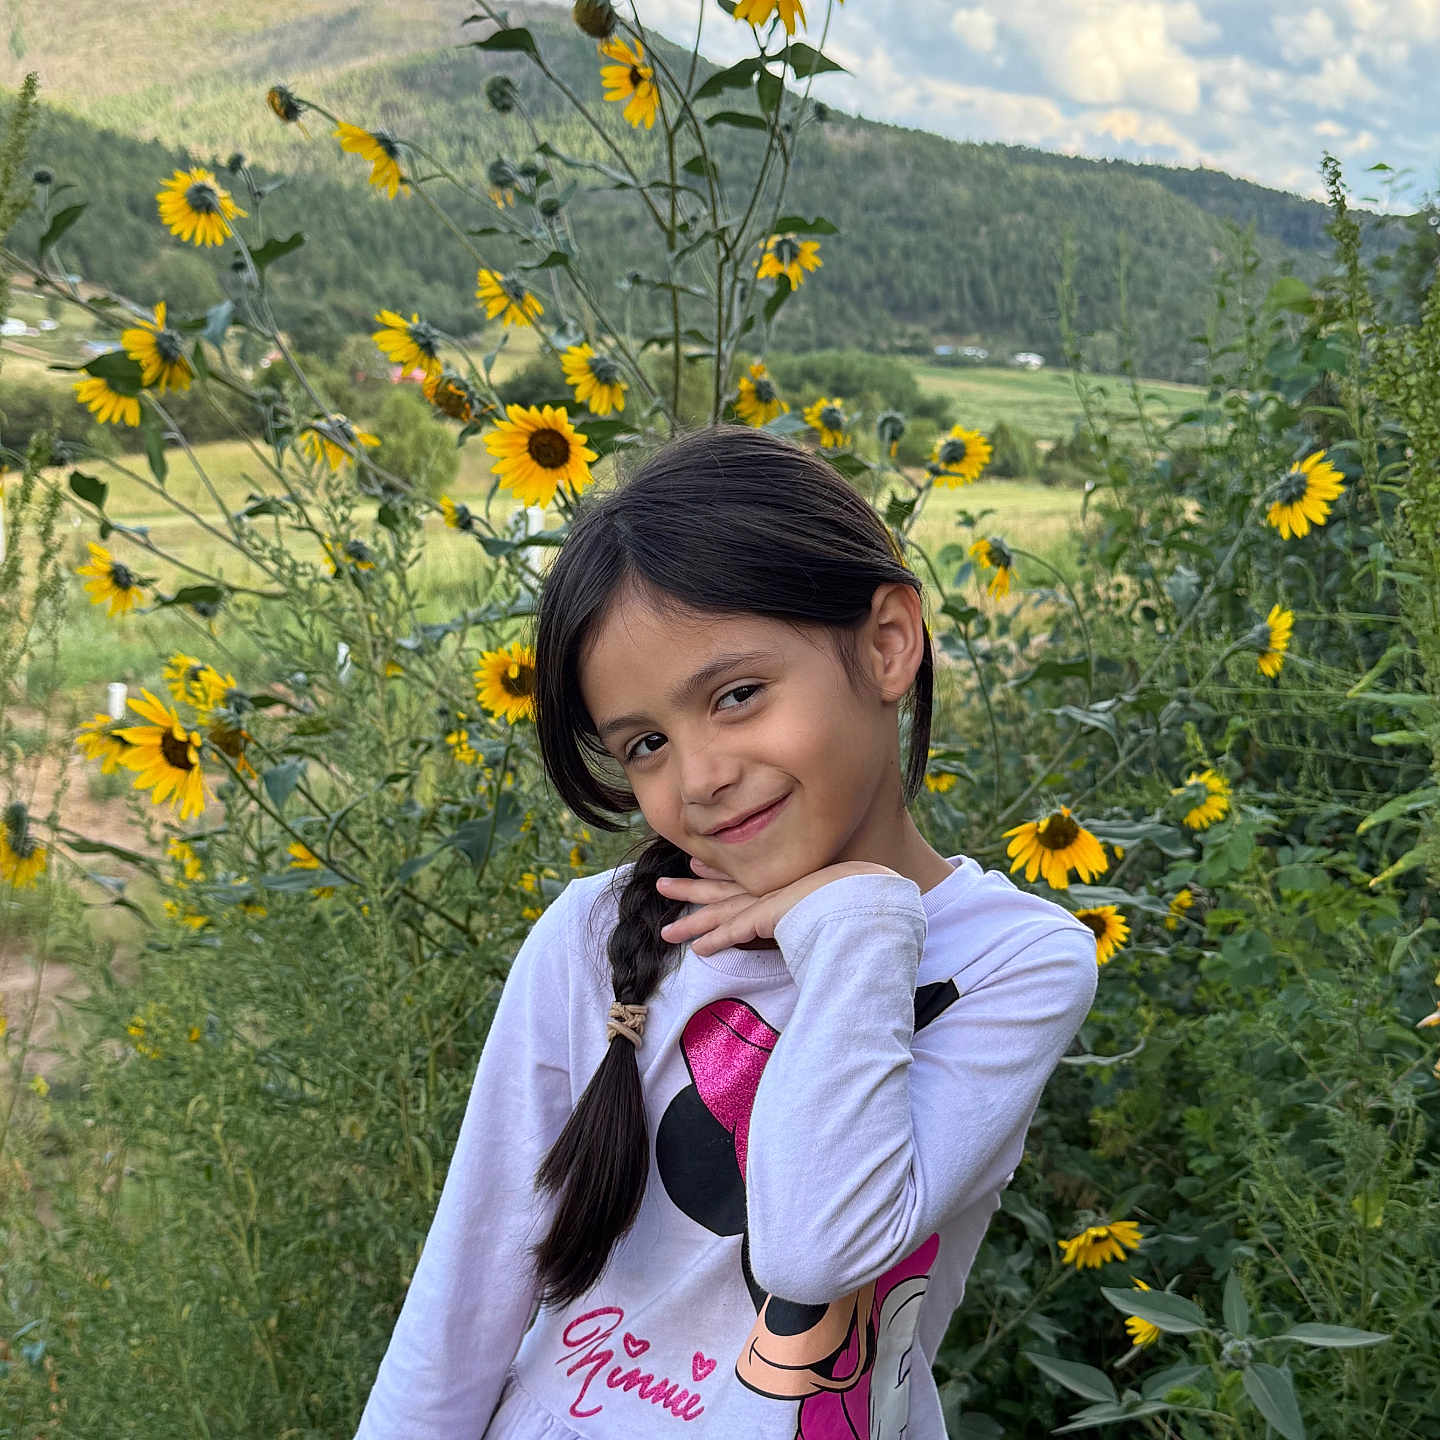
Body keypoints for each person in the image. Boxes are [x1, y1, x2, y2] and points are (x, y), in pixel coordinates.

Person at [354, 425, 1099, 1440]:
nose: (699, 777)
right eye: (647, 744)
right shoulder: (594, 940)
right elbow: (464, 1302)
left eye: (737, 695)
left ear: (887, 643)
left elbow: (818, 1251)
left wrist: (858, 916)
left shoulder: (1014, 961)